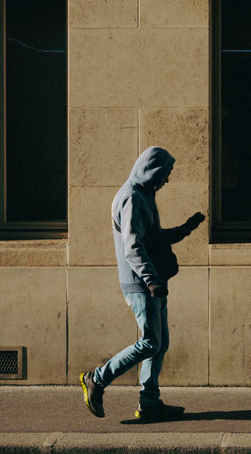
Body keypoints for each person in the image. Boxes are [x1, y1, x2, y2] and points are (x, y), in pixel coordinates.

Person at [80, 146, 205, 422]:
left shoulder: (146, 195)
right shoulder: (131, 198)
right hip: (141, 284)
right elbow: (132, 247)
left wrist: (185, 228)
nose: (167, 180)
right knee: (149, 342)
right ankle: (97, 379)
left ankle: (149, 403)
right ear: (153, 170)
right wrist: (151, 280)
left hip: (152, 281)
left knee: (160, 344)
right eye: (166, 174)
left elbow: (154, 238)